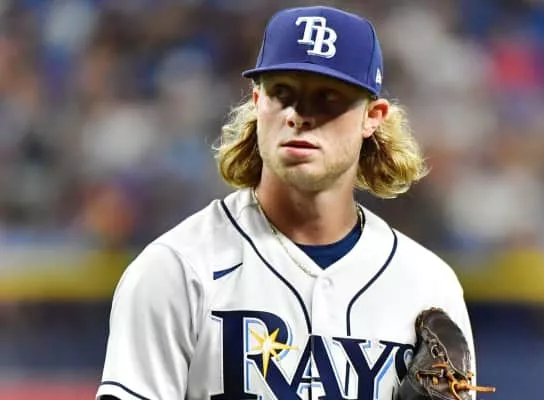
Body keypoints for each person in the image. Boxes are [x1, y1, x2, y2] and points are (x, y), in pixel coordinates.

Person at [96, 5, 478, 400]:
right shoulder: (178, 268)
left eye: (327, 97)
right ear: (257, 101)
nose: (298, 115)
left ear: (372, 116)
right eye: (282, 93)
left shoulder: (427, 284)